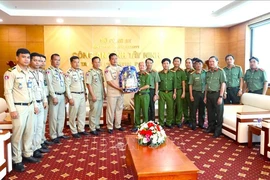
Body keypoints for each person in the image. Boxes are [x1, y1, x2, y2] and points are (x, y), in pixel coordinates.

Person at [4, 48, 40, 172]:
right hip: (18, 108)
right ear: (17, 58)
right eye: (23, 57)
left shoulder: (29, 72)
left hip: (30, 106)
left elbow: (33, 91)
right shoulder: (11, 73)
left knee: (29, 132)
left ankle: (27, 153)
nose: (26, 59)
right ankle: (17, 159)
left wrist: (35, 105)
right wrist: (12, 109)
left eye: (28, 57)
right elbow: (7, 93)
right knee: (18, 134)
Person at [29, 52, 50, 159]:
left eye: (39, 60)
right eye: (35, 60)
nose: (38, 63)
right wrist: (34, 104)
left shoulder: (40, 74)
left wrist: (45, 100)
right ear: (30, 60)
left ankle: (37, 147)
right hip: (33, 104)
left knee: (39, 126)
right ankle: (32, 149)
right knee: (33, 128)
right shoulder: (27, 73)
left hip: (41, 102)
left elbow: (42, 88)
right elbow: (29, 91)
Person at [46, 53, 69, 144]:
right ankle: (53, 135)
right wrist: (53, 96)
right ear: (51, 60)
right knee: (53, 117)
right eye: (55, 60)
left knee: (61, 116)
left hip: (62, 96)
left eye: (59, 60)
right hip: (54, 96)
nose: (57, 62)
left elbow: (64, 84)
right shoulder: (49, 71)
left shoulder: (60, 71)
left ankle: (60, 133)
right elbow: (49, 84)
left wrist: (66, 95)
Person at [65, 56, 89, 138]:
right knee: (73, 114)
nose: (77, 63)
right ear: (71, 63)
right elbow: (67, 86)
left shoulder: (81, 71)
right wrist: (70, 97)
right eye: (75, 62)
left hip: (82, 94)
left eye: (78, 62)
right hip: (74, 95)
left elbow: (83, 83)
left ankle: (81, 129)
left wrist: (85, 94)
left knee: (82, 113)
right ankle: (74, 131)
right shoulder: (69, 73)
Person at [204, 56, 226, 138]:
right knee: (210, 112)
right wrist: (205, 96)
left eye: (213, 61)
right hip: (209, 94)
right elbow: (206, 85)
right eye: (210, 62)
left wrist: (220, 96)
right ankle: (211, 127)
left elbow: (223, 84)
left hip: (217, 94)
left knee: (219, 113)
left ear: (217, 62)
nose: (211, 63)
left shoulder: (221, 71)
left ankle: (218, 130)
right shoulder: (208, 72)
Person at [104, 53, 125, 134]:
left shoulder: (121, 68)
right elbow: (109, 82)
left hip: (121, 93)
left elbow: (124, 79)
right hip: (112, 93)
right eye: (113, 59)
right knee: (111, 110)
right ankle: (110, 126)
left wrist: (124, 88)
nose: (114, 60)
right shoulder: (107, 69)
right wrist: (119, 88)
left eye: (116, 58)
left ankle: (118, 125)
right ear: (110, 60)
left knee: (119, 109)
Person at [86, 56, 106, 136]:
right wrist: (93, 95)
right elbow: (88, 84)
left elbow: (102, 84)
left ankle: (97, 126)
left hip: (100, 95)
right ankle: (92, 128)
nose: (97, 64)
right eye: (95, 62)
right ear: (92, 63)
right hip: (94, 96)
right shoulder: (90, 72)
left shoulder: (100, 72)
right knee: (93, 112)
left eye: (98, 62)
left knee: (98, 112)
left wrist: (104, 93)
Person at [39, 54, 53, 148]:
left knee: (43, 121)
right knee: (39, 122)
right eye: (40, 61)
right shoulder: (33, 73)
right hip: (38, 100)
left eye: (44, 61)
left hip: (46, 98)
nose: (42, 63)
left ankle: (42, 139)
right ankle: (38, 142)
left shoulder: (45, 72)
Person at [131, 62, 150, 132]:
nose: (141, 67)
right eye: (140, 65)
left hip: (145, 95)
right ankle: (137, 125)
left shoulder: (147, 75)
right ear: (138, 66)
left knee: (145, 111)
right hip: (137, 96)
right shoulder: (135, 75)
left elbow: (148, 85)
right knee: (137, 111)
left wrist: (140, 89)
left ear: (145, 66)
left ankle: (145, 126)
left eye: (143, 65)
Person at [158, 58, 177, 128]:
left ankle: (169, 122)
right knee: (161, 108)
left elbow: (175, 84)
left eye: (167, 63)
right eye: (164, 63)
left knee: (170, 108)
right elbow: (158, 84)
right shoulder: (159, 73)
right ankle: (161, 123)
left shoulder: (173, 73)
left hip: (170, 92)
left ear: (169, 64)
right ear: (162, 64)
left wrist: (174, 93)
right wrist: (157, 93)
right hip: (161, 92)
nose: (165, 65)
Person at [189, 58, 206, 130]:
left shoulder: (206, 73)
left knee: (202, 110)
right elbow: (190, 85)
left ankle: (201, 123)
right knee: (194, 109)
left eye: (200, 64)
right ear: (194, 66)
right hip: (195, 93)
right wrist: (191, 95)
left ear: (202, 65)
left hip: (203, 93)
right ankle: (193, 124)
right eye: (197, 64)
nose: (198, 65)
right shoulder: (192, 74)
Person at [171, 57, 186, 128]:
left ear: (180, 63)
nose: (176, 63)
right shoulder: (170, 71)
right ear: (173, 62)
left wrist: (183, 92)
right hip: (171, 91)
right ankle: (172, 120)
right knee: (172, 106)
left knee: (179, 106)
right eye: (175, 61)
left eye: (178, 61)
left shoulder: (182, 71)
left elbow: (183, 82)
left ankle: (178, 121)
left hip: (179, 90)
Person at [183, 58, 194, 127]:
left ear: (192, 64)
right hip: (184, 91)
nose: (188, 64)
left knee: (191, 107)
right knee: (184, 106)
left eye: (189, 62)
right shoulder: (182, 71)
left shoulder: (194, 72)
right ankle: (186, 119)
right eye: (186, 62)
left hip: (191, 92)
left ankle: (191, 120)